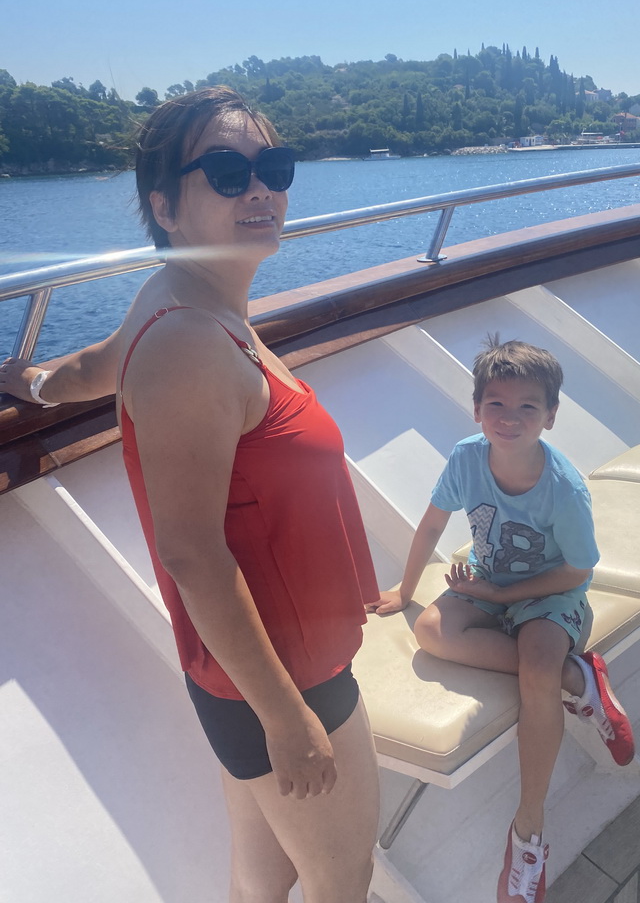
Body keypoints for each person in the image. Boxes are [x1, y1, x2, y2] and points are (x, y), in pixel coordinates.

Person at [0, 87, 381, 903]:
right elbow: (192, 553)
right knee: (343, 879)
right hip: (283, 678)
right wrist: (287, 719)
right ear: (165, 206)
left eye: (273, 168)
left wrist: (27, 381)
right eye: (227, 170)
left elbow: (90, 370)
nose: (260, 190)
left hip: (248, 674)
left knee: (262, 877)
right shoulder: (188, 343)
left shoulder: (173, 306)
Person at [366, 337, 634, 903]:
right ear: (477, 409)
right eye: (496, 405)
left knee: (535, 663)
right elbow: (434, 527)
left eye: (526, 408)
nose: (509, 419)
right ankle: (576, 679)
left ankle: (528, 835)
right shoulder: (467, 457)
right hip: (488, 581)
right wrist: (404, 590)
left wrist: (496, 590)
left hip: (551, 594)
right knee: (430, 632)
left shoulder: (563, 489)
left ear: (551, 418)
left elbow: (577, 571)